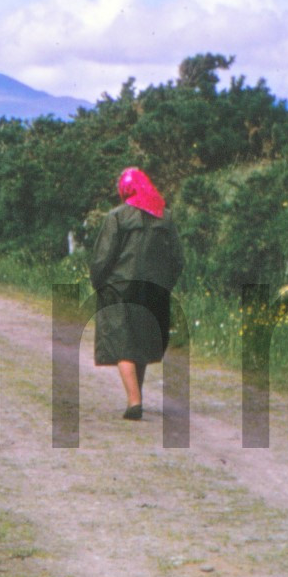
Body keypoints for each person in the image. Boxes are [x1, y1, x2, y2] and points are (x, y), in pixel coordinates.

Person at [88, 167, 184, 420]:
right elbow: (177, 259)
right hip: (155, 290)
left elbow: (103, 257)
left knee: (122, 343)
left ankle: (134, 401)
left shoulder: (117, 217)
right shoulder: (165, 217)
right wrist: (165, 285)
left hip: (120, 287)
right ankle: (137, 395)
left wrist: (98, 282)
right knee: (141, 340)